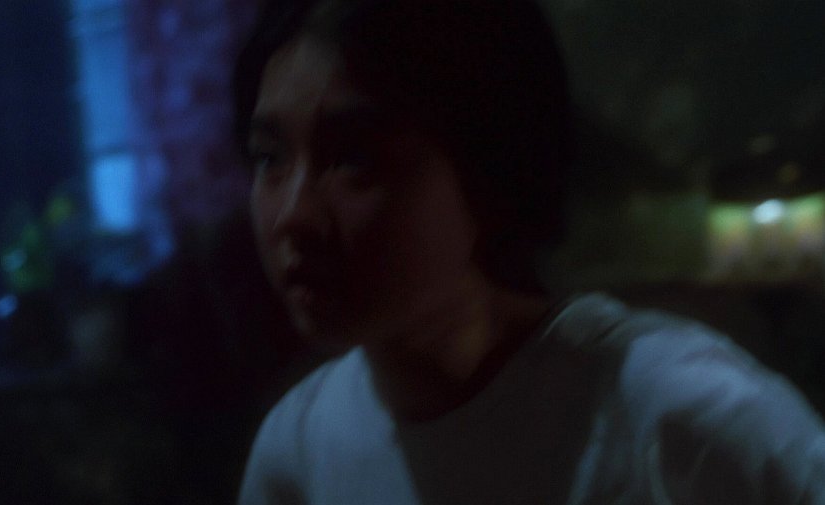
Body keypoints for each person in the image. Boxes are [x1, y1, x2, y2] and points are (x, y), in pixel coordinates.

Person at [234, 0, 825, 503]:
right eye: (269, 158)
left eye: (354, 157)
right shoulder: (297, 452)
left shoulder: (683, 416)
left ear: (488, 168)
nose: (293, 216)